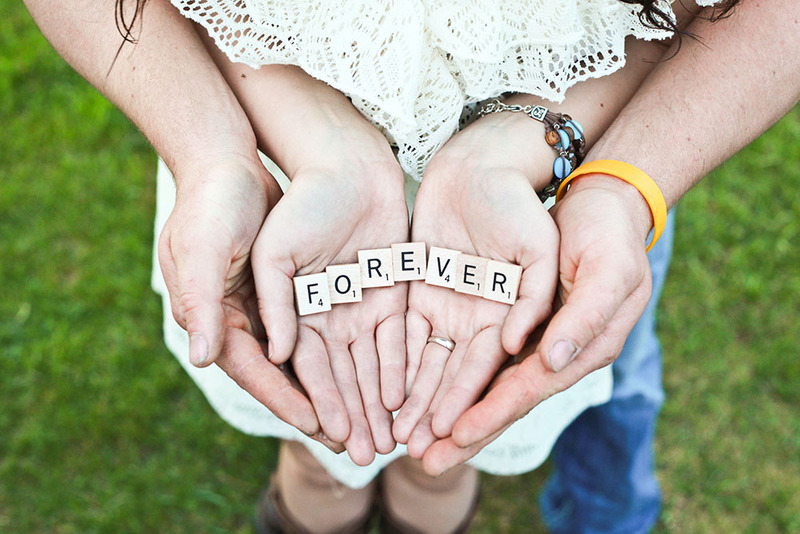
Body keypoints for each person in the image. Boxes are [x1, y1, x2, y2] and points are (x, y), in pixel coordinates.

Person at [24, 0, 799, 533]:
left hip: (551, 190)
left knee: (448, 451)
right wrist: (212, 152)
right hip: (277, 155)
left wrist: (623, 185)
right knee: (320, 447)